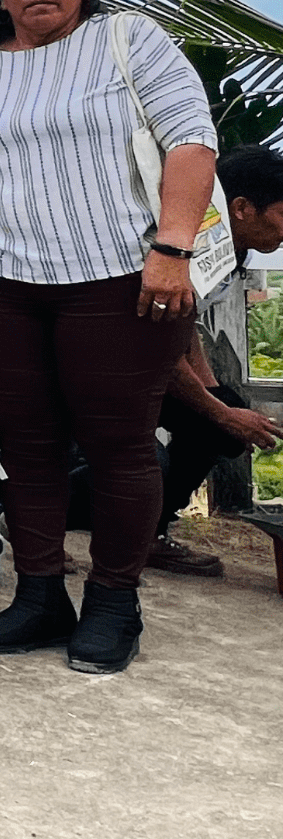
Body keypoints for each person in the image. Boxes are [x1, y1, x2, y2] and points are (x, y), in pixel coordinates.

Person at [0, 0, 218, 675]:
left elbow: (191, 141)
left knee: (119, 445)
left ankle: (112, 602)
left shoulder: (131, 40)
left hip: (115, 276)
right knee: (25, 445)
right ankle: (39, 592)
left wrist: (173, 248)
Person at [147, 142, 283, 575]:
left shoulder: (233, 250)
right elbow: (157, 351)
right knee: (198, 432)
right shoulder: (191, 246)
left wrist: (217, 398)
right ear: (242, 208)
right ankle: (31, 507)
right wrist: (219, 411)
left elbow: (186, 326)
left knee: (222, 425)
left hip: (160, 357)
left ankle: (152, 531)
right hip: (115, 364)